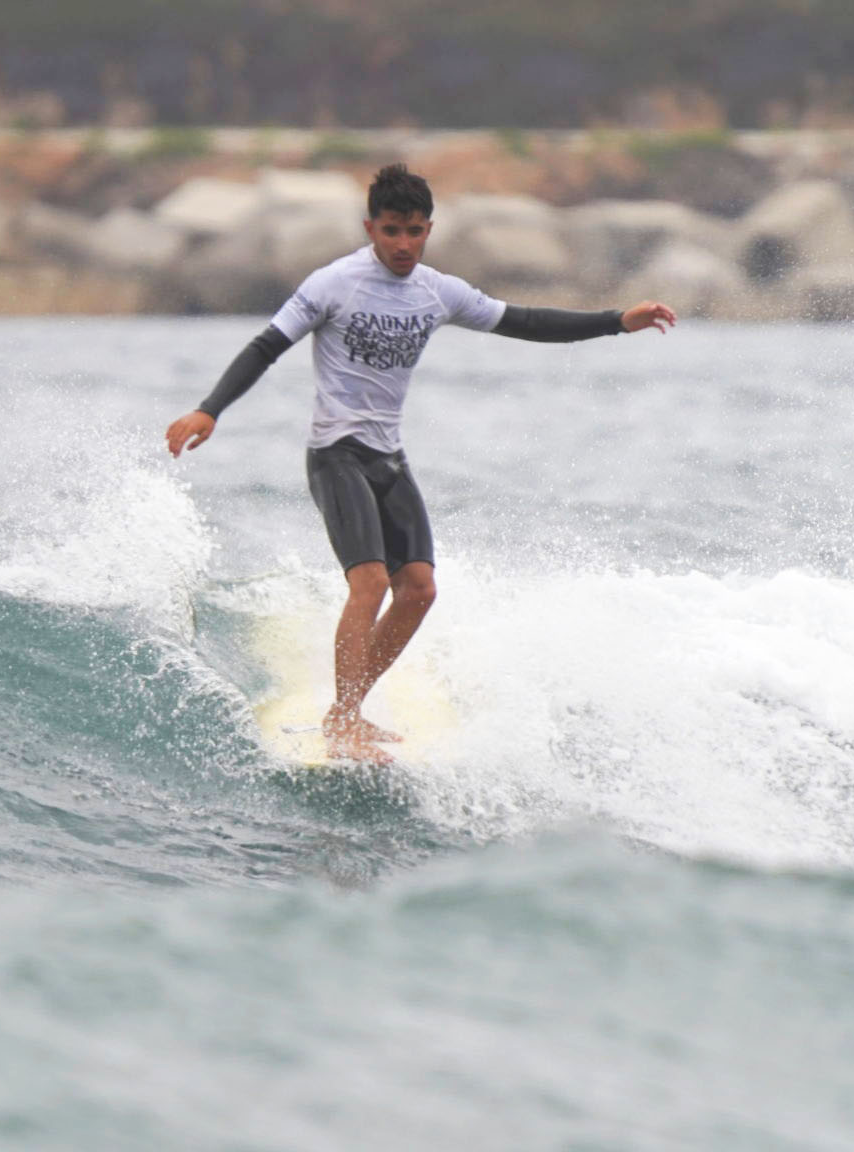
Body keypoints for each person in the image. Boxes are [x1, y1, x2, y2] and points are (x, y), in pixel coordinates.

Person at [164, 163, 676, 764]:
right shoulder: (333, 284)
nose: (403, 244)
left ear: (428, 229)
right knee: (372, 581)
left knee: (420, 591)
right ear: (369, 228)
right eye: (390, 231)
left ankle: (345, 708)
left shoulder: (437, 291)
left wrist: (617, 322)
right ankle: (345, 722)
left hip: (388, 458)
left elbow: (529, 323)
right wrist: (209, 409)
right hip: (336, 454)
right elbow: (265, 347)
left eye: (414, 231)